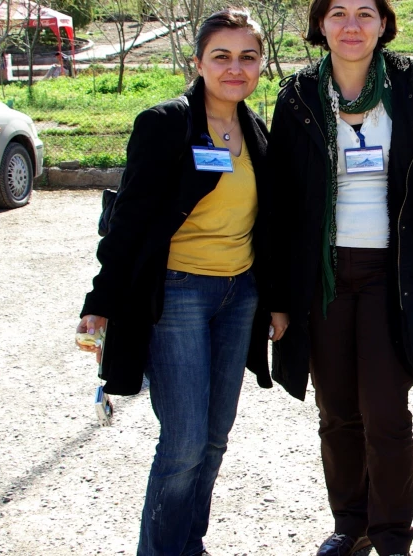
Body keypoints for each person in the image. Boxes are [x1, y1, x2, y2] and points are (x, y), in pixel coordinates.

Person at [75, 8, 273, 555]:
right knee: (184, 441)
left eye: (247, 56)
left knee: (214, 437)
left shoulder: (256, 129)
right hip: (178, 293)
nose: (236, 68)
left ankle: (189, 544)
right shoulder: (165, 123)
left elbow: (267, 223)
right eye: (222, 56)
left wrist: (276, 299)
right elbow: (129, 221)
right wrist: (101, 300)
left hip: (240, 294)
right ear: (198, 62)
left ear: (260, 64)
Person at [266, 0, 413, 554]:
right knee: (337, 410)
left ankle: (394, 534)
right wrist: (277, 298)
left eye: (365, 13)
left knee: (386, 411)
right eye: (338, 12)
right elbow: (278, 205)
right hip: (321, 276)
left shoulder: (412, 90)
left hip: (390, 276)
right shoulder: (297, 96)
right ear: (320, 24)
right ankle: (352, 524)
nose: (352, 26)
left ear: (384, 24)